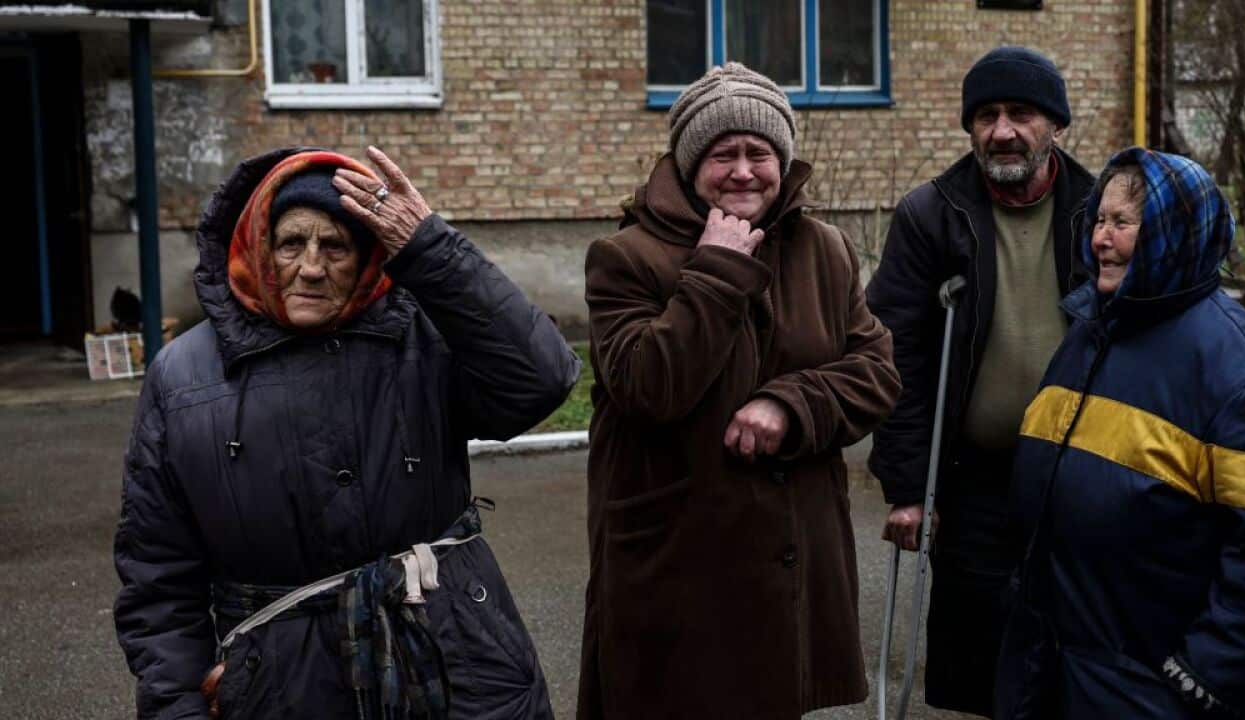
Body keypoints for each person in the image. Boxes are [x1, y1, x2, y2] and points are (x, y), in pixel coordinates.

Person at [113, 146, 580, 719]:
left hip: (454, 659)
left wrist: (431, 249)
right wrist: (178, 706)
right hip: (280, 686)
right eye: (291, 243)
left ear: (366, 256)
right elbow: (158, 577)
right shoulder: (183, 376)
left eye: (334, 246)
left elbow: (541, 379)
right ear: (259, 247)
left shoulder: (421, 337)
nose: (311, 267)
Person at [576, 62, 901, 719]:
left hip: (790, 564)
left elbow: (875, 370)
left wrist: (792, 403)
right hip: (679, 566)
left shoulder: (825, 249)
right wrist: (718, 270)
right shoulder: (626, 257)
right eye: (724, 154)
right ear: (691, 163)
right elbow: (647, 387)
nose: (744, 172)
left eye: (760, 153)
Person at [998, 148, 1245, 718]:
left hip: (1151, 688)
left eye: (1123, 223)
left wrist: (1206, 675)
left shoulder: (1242, 372)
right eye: (1099, 219)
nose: (1101, 238)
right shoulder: (1091, 330)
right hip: (1054, 668)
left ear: (1176, 233)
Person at [865, 45, 1095, 717]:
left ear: (1055, 124)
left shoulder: (1097, 210)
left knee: (1079, 648)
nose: (1002, 131)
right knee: (985, 658)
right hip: (974, 481)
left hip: (1082, 471)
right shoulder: (931, 214)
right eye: (986, 115)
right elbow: (896, 355)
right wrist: (909, 488)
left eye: (1021, 114)